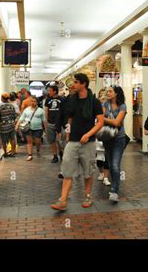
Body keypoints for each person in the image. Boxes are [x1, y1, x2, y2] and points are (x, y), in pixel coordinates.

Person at [50, 73, 104, 211]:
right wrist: (67, 133)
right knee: (67, 170)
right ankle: (63, 200)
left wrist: (88, 134)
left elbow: (100, 122)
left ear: (83, 84)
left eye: (75, 82)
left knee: (88, 171)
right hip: (73, 141)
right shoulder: (71, 100)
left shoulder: (94, 101)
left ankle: (87, 196)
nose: (72, 85)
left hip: (89, 142)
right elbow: (70, 119)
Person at [102, 85, 128, 203]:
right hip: (107, 137)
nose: (108, 93)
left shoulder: (122, 106)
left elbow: (117, 123)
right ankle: (114, 185)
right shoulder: (104, 105)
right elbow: (102, 119)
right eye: (107, 91)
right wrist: (114, 121)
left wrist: (106, 120)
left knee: (115, 164)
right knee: (110, 163)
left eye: (110, 91)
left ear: (116, 93)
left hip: (119, 139)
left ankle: (114, 190)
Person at [16, 96, 46, 161]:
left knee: (38, 141)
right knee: (29, 141)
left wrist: (45, 129)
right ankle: (30, 155)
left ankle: (38, 149)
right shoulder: (26, 110)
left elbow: (44, 120)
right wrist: (17, 125)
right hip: (28, 128)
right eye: (32, 101)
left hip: (38, 128)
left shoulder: (41, 110)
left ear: (37, 102)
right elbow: (21, 118)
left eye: (34, 101)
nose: (33, 102)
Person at [45, 85, 64, 163]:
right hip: (50, 122)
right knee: (52, 140)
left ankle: (61, 153)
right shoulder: (48, 99)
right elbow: (46, 110)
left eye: (50, 91)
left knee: (59, 140)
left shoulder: (62, 99)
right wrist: (46, 121)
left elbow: (64, 111)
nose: (49, 92)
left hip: (60, 123)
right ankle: (55, 156)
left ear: (55, 91)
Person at [0, 92, 17, 157]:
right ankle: (12, 152)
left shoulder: (0, 106)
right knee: (12, 139)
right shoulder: (12, 106)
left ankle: (5, 152)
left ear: (2, 98)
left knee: (3, 140)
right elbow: (14, 116)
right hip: (11, 125)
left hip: (3, 126)